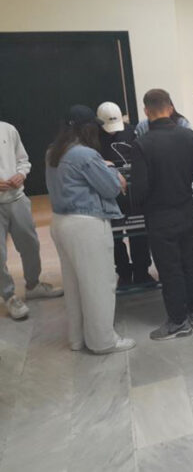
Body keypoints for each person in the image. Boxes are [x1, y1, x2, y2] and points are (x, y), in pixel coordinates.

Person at [45, 105, 135, 353]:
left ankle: (77, 338)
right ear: (87, 129)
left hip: (60, 222)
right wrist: (111, 169)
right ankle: (103, 342)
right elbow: (111, 188)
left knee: (74, 286)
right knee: (98, 285)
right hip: (86, 226)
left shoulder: (53, 152)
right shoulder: (85, 155)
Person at [131, 89, 193, 340]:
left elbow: (139, 190)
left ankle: (178, 321)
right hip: (187, 209)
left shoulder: (142, 144)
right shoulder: (188, 135)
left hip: (160, 216)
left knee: (170, 269)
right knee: (191, 262)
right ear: (170, 108)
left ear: (146, 111)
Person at [0, 121, 63, 320]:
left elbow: (23, 159)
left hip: (17, 198)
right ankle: (9, 296)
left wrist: (21, 174)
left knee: (30, 244)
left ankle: (33, 285)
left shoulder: (8, 129)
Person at [96, 101, 155, 287]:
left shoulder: (131, 132)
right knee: (114, 236)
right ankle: (123, 271)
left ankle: (142, 271)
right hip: (108, 194)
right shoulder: (93, 137)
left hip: (133, 191)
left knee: (139, 232)